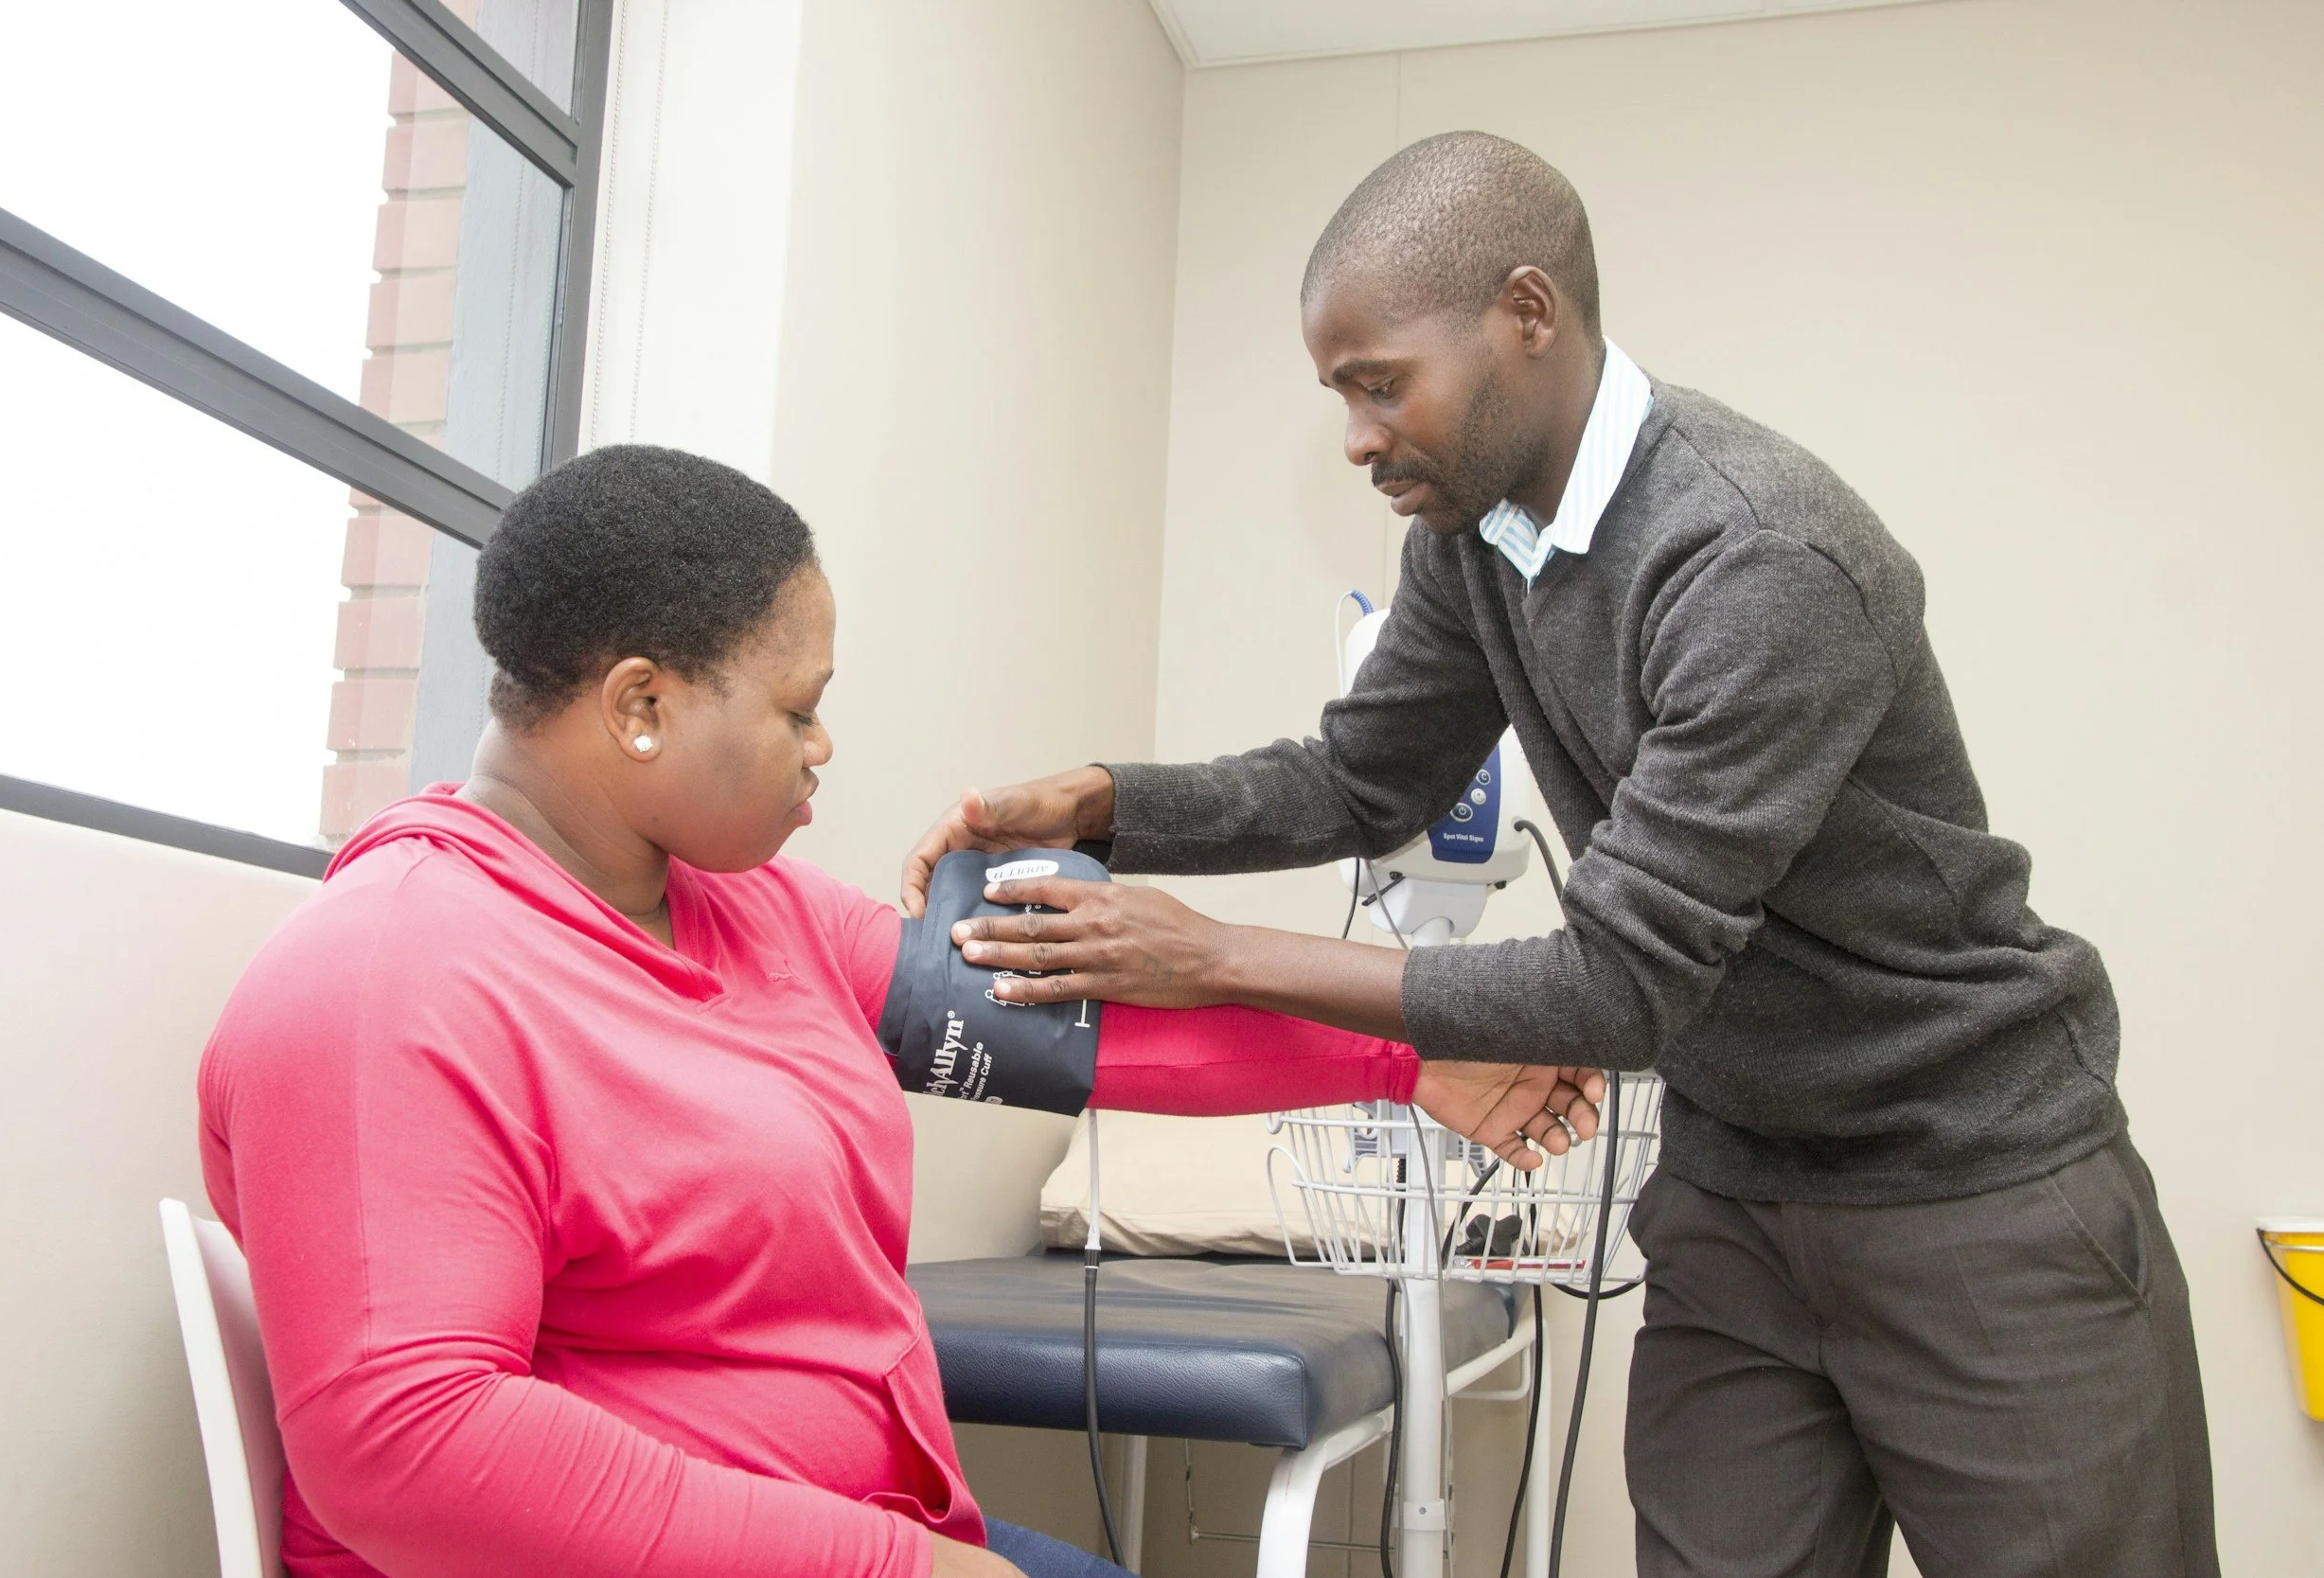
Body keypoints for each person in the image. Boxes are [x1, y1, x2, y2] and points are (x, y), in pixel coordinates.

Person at [901, 133, 2216, 1578]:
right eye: (1339, 393)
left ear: (1529, 314)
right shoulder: (1482, 541)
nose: (1354, 436)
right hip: (1735, 1195)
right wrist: (1100, 802)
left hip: (1978, 1188)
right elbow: (1358, 776)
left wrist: (1202, 955)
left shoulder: (1759, 555)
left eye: (1378, 382)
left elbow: (1619, 984)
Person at [199, 444, 1599, 1578]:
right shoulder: (387, 978)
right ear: (640, 705)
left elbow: (1084, 1028)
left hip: (889, 1529)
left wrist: (1409, 1058)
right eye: (798, 709)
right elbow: (410, 1448)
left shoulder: (752, 909)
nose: (824, 749)